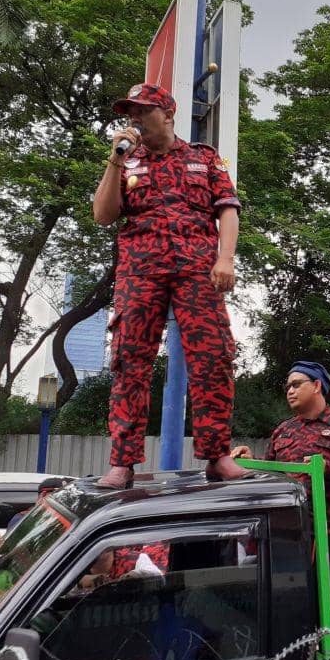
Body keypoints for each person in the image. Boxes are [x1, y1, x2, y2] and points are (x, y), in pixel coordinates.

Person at [93, 83, 247, 489]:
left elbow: (228, 209)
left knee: (213, 357)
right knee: (129, 360)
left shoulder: (204, 158)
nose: (136, 120)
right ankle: (122, 461)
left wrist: (225, 257)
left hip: (198, 269)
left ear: (167, 113)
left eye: (143, 111)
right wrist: (113, 162)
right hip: (140, 272)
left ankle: (217, 455)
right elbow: (103, 215)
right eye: (131, 113)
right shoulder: (126, 163)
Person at [262, 361, 330, 591]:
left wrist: (328, 468)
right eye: (288, 387)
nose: (290, 391)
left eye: (296, 384)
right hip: (287, 533)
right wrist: (245, 458)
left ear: (316, 385)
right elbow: (267, 474)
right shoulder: (283, 431)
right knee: (292, 602)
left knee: (329, 604)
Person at [7, 477, 71, 530]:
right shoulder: (21, 519)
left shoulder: (62, 519)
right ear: (42, 496)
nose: (62, 501)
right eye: (59, 496)